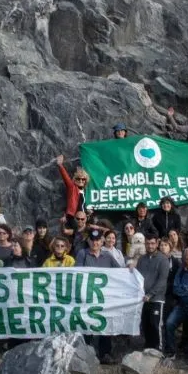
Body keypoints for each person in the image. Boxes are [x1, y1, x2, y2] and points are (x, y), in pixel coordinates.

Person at [76, 229, 122, 363]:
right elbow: (76, 272)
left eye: (97, 240)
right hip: (87, 297)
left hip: (104, 298)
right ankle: (86, 354)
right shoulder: (82, 254)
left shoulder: (108, 256)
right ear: (89, 241)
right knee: (86, 324)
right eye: (92, 240)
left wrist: (130, 266)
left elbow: (120, 272)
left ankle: (105, 354)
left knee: (104, 325)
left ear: (101, 241)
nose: (95, 242)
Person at [137, 234, 170, 351]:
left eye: (152, 243)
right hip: (143, 299)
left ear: (157, 243)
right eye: (147, 243)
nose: (150, 246)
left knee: (156, 325)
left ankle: (159, 350)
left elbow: (162, 280)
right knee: (146, 325)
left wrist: (150, 294)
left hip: (156, 299)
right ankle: (148, 348)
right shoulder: (142, 259)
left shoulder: (163, 260)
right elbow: (138, 277)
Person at [56, 154, 88, 227]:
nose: (81, 180)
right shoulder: (72, 187)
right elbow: (66, 178)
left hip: (83, 218)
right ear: (75, 179)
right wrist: (60, 165)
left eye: (83, 179)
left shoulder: (85, 191)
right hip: (73, 217)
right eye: (78, 179)